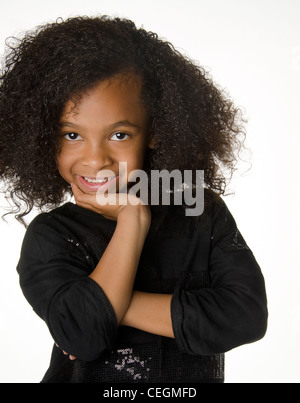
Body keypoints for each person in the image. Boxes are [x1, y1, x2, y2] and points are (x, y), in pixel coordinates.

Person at [0, 16, 268, 383]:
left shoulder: (199, 209)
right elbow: (85, 336)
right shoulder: (52, 236)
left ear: (155, 132)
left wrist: (115, 305)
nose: (95, 159)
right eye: (73, 135)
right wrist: (132, 219)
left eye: (120, 135)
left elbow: (246, 319)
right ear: (46, 137)